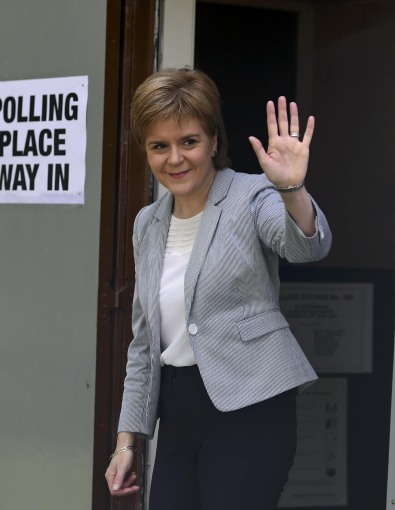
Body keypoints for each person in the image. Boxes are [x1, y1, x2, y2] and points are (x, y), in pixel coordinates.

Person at [105, 68, 332, 510]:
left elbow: (306, 246)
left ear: (212, 140)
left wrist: (291, 188)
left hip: (251, 410)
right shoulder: (147, 223)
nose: (175, 158)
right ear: (146, 152)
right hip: (178, 415)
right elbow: (144, 345)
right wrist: (126, 440)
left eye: (188, 141)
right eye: (159, 146)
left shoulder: (253, 195)